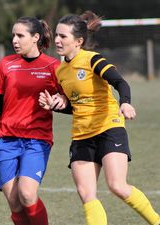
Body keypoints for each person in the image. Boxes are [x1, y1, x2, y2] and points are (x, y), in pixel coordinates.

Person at [39, 10, 160, 225]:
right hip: (81, 134)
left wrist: (125, 102)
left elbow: (121, 83)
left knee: (117, 186)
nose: (57, 40)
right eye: (56, 35)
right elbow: (75, 106)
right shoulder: (61, 71)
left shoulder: (92, 59)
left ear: (78, 41)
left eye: (63, 36)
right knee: (87, 195)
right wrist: (55, 105)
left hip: (108, 127)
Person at [0, 16, 66, 225]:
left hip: (37, 139)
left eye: (20, 35)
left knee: (27, 194)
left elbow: (68, 102)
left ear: (35, 37)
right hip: (6, 139)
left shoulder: (53, 66)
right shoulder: (6, 64)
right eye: (13, 35)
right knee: (14, 202)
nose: (15, 40)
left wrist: (59, 101)